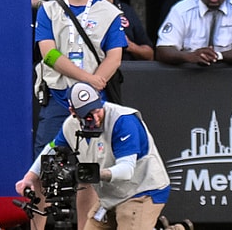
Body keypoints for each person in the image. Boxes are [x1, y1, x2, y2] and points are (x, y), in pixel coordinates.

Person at [16, 82, 170, 230]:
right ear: (73, 112)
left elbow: (127, 170)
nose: (95, 118)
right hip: (110, 196)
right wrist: (29, 177)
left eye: (96, 110)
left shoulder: (123, 121)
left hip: (142, 191)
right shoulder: (70, 125)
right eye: (87, 114)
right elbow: (51, 148)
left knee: (128, 217)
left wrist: (93, 173)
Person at [33, 0, 127, 160]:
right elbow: (48, 54)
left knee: (93, 164)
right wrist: (88, 79)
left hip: (94, 99)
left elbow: (115, 57)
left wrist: (91, 87)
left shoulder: (110, 13)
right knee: (46, 160)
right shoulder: (49, 10)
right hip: (59, 96)